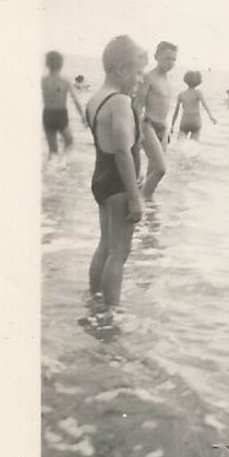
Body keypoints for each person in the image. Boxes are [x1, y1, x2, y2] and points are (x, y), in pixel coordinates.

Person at [85, 36, 148, 305]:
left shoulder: (95, 99)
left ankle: (95, 300)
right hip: (120, 183)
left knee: (105, 246)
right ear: (121, 69)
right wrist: (134, 196)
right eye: (137, 72)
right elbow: (123, 150)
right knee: (119, 252)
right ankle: (111, 313)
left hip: (101, 179)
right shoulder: (120, 101)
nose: (140, 79)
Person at [135, 40, 177, 198]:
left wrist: (168, 130)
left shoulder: (168, 81)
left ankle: (147, 211)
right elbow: (138, 105)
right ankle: (140, 201)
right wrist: (136, 131)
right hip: (148, 125)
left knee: (152, 173)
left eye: (174, 59)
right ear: (156, 57)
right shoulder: (149, 77)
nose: (171, 62)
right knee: (161, 169)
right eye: (167, 58)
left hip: (163, 128)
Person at [41, 51, 85, 157]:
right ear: (61, 64)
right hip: (61, 115)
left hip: (47, 114)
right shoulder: (65, 81)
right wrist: (82, 116)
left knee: (52, 149)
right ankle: (62, 164)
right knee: (69, 141)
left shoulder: (43, 81)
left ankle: (52, 169)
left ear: (47, 64)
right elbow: (75, 101)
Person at [170, 70, 217, 140]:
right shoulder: (198, 93)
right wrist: (211, 117)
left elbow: (176, 112)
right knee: (194, 144)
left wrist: (172, 125)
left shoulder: (181, 94)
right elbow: (205, 105)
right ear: (198, 81)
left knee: (180, 142)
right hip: (195, 121)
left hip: (185, 121)